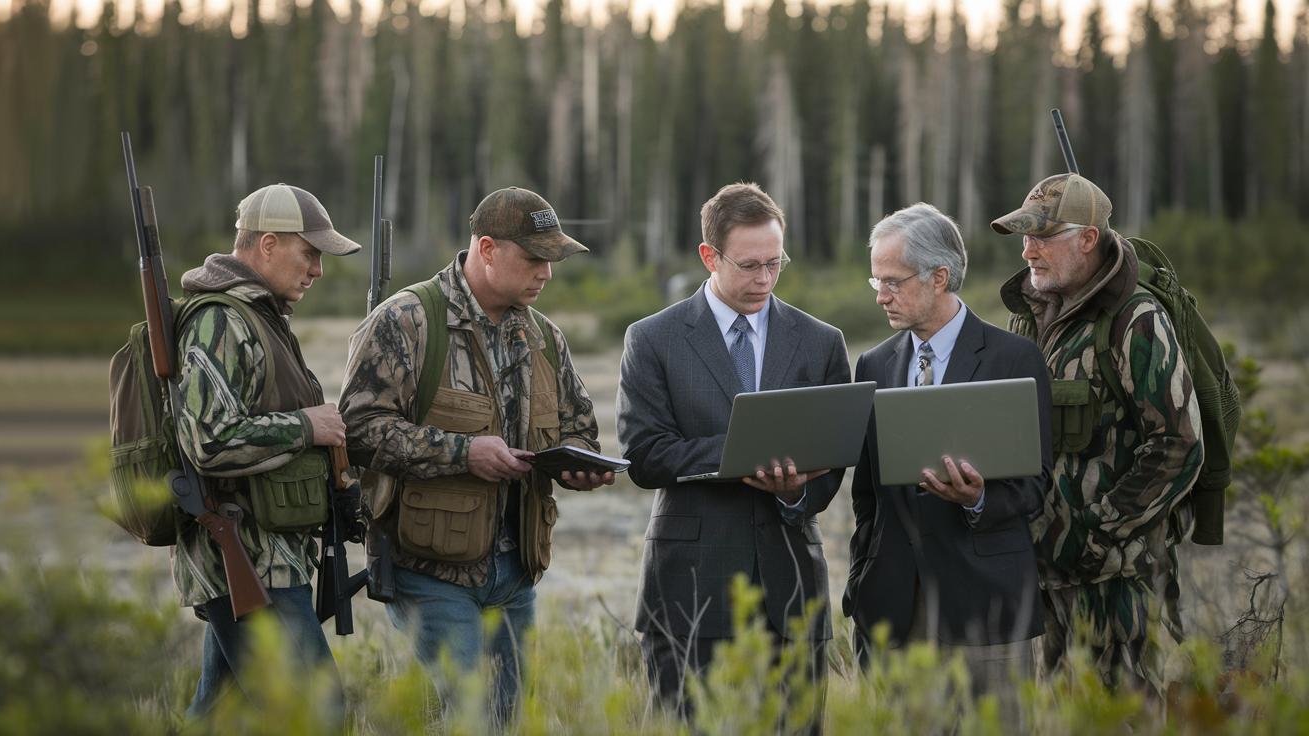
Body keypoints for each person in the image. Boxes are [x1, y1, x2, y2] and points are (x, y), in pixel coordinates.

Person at [338, 186, 614, 726]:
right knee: (470, 718)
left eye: (552, 260)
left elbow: (582, 428)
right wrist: (464, 453)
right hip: (428, 567)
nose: (547, 274)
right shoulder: (406, 321)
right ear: (487, 249)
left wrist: (580, 464)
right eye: (535, 258)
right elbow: (359, 431)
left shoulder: (544, 337)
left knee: (510, 718)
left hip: (516, 571)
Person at [616, 182, 849, 729]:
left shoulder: (821, 341)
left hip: (791, 589)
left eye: (775, 263)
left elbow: (837, 455)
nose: (764, 280)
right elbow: (645, 455)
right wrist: (744, 454)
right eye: (748, 266)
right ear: (709, 256)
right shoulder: (653, 339)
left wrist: (796, 491)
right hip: (688, 590)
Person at [841, 203, 1052, 723]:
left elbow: (1036, 484)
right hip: (892, 611)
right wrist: (862, 584)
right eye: (876, 282)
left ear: (940, 277)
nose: (881, 296)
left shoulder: (1014, 359)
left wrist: (978, 498)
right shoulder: (873, 364)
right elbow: (867, 497)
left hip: (986, 608)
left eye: (893, 282)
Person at [992, 174, 1203, 694]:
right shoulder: (1033, 319)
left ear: (1088, 238)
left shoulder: (1135, 322)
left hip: (1116, 584)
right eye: (1025, 237)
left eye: (1042, 237)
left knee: (1122, 715)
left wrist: (1097, 534)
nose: (1028, 251)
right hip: (1043, 580)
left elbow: (1178, 445)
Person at [173, 183, 362, 720]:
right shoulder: (222, 320)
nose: (318, 270)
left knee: (217, 715)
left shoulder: (260, 316)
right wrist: (306, 426)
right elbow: (208, 440)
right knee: (317, 713)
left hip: (265, 555)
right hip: (246, 554)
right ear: (269, 245)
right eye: (310, 253)